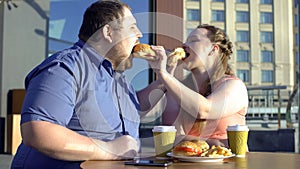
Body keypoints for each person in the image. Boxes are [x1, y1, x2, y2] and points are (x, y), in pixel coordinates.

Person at [11, 1, 166, 168]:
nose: (140, 34)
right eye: (132, 27)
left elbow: (134, 110)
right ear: (108, 32)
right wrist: (109, 150)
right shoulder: (65, 67)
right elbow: (37, 131)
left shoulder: (117, 76)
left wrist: (164, 77)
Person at [150, 24, 249, 147]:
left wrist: (164, 75)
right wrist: (210, 142)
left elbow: (205, 110)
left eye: (193, 40)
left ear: (214, 49)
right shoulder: (177, 89)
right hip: (189, 162)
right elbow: (169, 136)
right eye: (186, 41)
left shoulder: (234, 86)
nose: (184, 45)